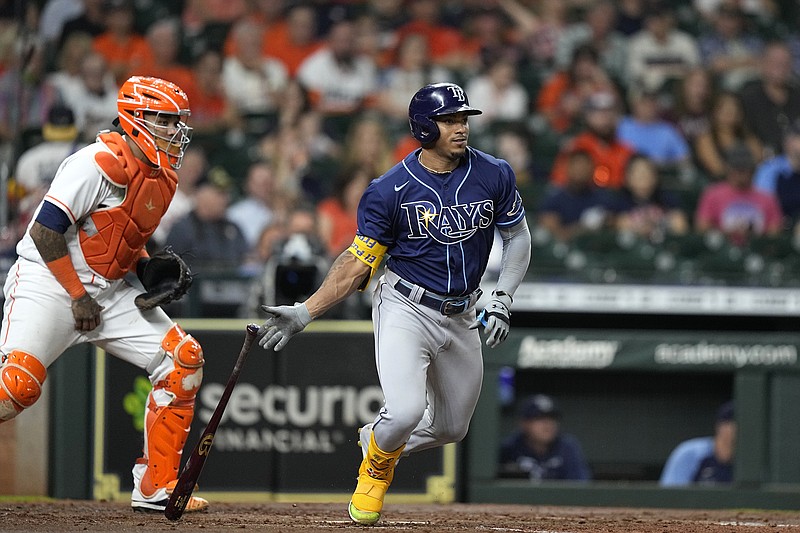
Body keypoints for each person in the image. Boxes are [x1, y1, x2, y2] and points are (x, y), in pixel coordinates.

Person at [257, 82, 531, 525]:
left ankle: (378, 440)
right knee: (404, 410)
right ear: (425, 127)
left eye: (463, 119)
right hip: (408, 305)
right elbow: (356, 264)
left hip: (463, 310)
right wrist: (307, 310)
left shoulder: (493, 172)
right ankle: (376, 472)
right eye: (450, 120)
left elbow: (517, 236)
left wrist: (502, 297)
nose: (461, 127)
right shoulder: (390, 189)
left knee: (451, 428)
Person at [0, 76, 208, 513]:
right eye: (167, 121)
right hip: (50, 285)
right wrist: (78, 296)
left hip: (106, 292)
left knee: (182, 358)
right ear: (138, 118)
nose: (176, 132)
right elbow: (44, 231)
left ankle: (156, 488)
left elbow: (117, 237)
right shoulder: (94, 162)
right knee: (14, 390)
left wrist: (148, 267)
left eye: (178, 123)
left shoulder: (160, 175)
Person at [695, 142, 783, 246]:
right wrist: (728, 232)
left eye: (745, 169)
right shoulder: (713, 194)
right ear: (729, 169)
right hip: (722, 248)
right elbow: (701, 229)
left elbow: (775, 233)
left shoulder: (767, 198)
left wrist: (753, 236)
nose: (741, 173)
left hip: (757, 249)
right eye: (737, 169)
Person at [499, 394, 591, 482]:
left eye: (552, 418)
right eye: (540, 418)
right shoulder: (509, 448)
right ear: (524, 423)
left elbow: (580, 486)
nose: (548, 425)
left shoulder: (567, 447)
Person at [660, 400, 735, 486]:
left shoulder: (749, 459)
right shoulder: (691, 453)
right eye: (731, 423)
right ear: (720, 426)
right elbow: (671, 495)